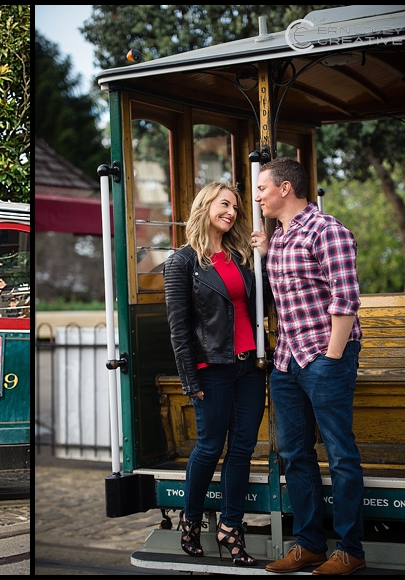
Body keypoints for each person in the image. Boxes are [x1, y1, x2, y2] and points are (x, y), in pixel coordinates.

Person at [252, 157, 365, 575]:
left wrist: (332, 357)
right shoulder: (278, 238)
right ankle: (310, 544)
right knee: (295, 454)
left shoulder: (327, 230)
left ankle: (351, 549)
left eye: (262, 188)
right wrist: (264, 253)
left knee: (340, 454)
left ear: (284, 188)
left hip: (324, 358)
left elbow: (346, 298)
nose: (257, 196)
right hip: (286, 361)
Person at [163, 181, 265, 566]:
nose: (232, 212)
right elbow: (178, 328)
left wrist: (265, 256)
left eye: (236, 208)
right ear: (206, 206)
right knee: (209, 447)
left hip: (249, 366)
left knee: (242, 450)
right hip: (212, 370)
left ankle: (230, 526)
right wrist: (190, 381)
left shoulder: (241, 256)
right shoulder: (182, 262)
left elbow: (263, 303)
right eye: (225, 204)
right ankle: (190, 520)